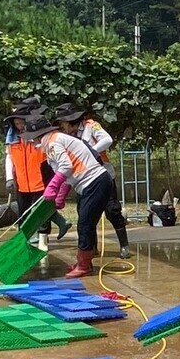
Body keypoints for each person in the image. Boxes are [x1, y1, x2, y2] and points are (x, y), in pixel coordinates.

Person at [22, 113, 115, 278]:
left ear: (38, 135)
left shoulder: (53, 141)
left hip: (96, 182)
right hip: (92, 183)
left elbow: (66, 166)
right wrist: (61, 194)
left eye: (32, 137)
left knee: (85, 224)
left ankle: (84, 265)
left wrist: (52, 186)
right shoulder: (53, 141)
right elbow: (69, 171)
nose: (32, 141)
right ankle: (83, 261)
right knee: (85, 223)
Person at [54, 103, 132, 259]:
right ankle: (91, 247)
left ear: (72, 120)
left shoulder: (91, 126)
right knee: (85, 215)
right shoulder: (66, 136)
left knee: (112, 211)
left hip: (103, 176)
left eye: (63, 122)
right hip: (82, 180)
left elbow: (107, 140)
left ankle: (124, 246)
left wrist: (89, 152)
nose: (62, 126)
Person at [4, 100, 71, 250]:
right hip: (22, 182)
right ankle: (26, 240)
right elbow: (9, 158)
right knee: (24, 213)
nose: (19, 126)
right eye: (16, 123)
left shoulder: (38, 138)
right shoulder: (13, 140)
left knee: (40, 212)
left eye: (21, 123)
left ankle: (43, 241)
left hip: (40, 180)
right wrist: (9, 178)